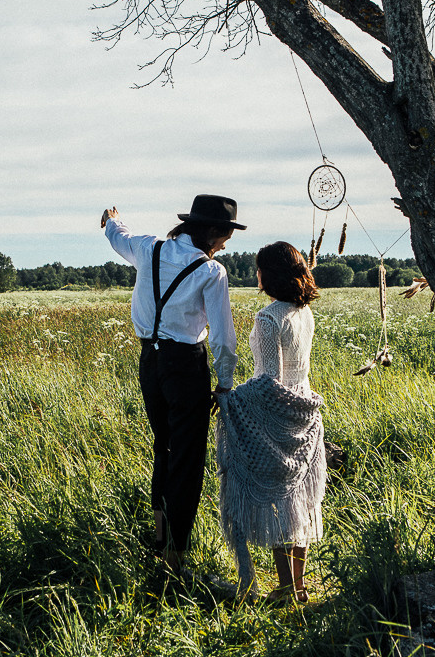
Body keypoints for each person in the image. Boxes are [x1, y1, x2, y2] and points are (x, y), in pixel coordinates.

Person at [101, 194, 245, 576]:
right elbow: (223, 338)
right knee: (187, 460)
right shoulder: (211, 272)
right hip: (186, 367)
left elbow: (119, 237)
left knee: (162, 450)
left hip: (150, 362)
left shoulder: (150, 248)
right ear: (212, 232)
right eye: (225, 235)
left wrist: (111, 219)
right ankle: (176, 556)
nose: (226, 243)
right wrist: (225, 383)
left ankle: (160, 540)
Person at [216, 241, 325, 604]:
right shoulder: (303, 311)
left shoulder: (268, 318)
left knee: (281, 502)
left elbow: (268, 381)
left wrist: (228, 398)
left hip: (277, 417)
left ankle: (284, 590)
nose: (256, 274)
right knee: (299, 501)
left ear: (269, 273)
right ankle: (298, 586)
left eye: (259, 267)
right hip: (305, 410)